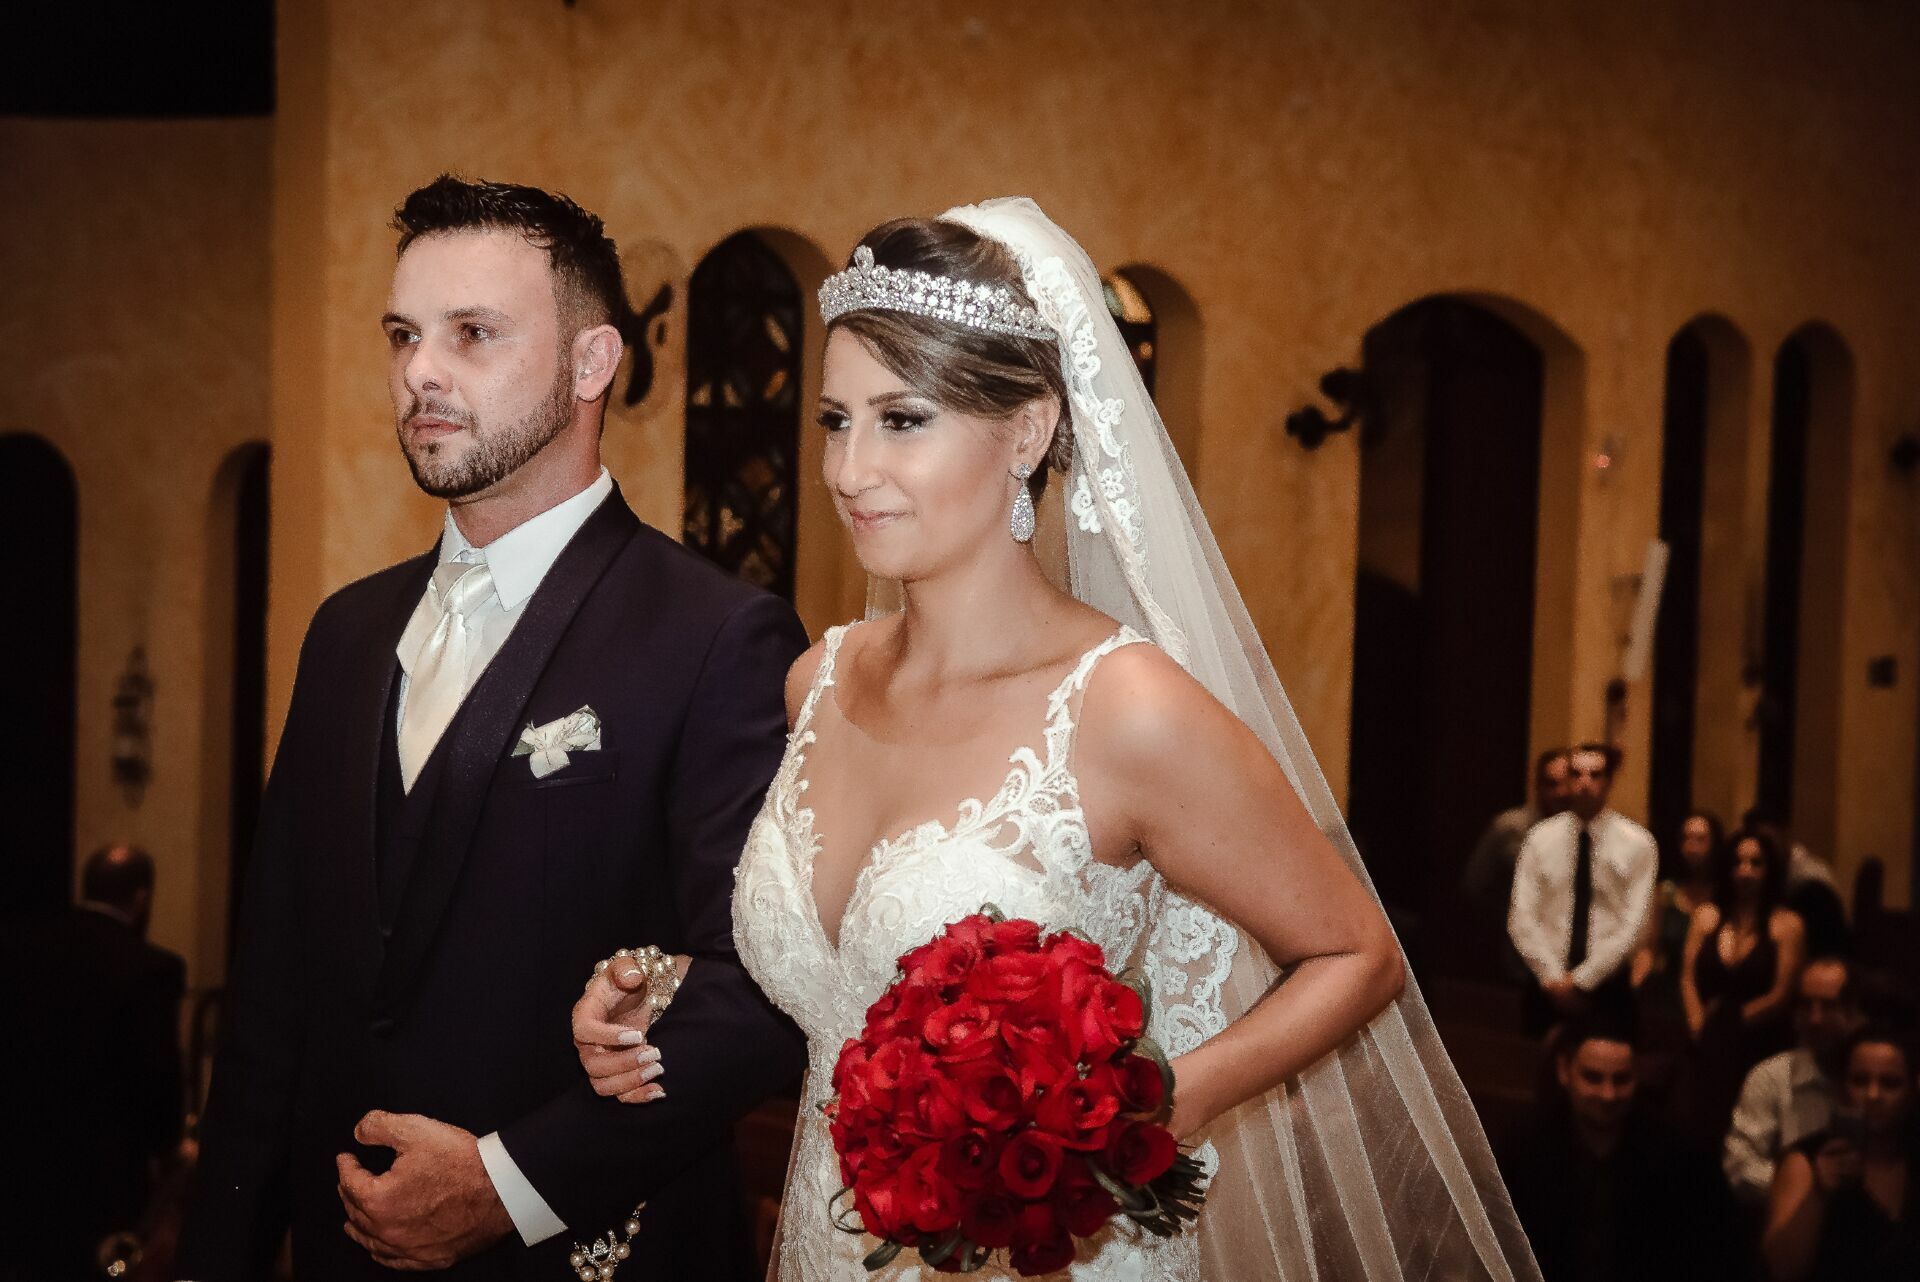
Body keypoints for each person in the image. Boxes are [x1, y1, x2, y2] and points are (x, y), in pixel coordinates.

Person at [574, 200, 1543, 1279]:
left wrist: (1146, 1111)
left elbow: (1355, 952)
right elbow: (841, 981)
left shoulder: (1125, 707)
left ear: (1027, 430)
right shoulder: (820, 678)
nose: (849, 470)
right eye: (834, 421)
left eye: (902, 419)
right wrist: (662, 990)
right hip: (825, 1244)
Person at [177, 177, 808, 1280]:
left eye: (474, 334)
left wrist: (511, 1182)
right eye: (405, 335)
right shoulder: (345, 630)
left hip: (588, 1247)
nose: (422, 370)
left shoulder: (719, 636)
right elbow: (276, 985)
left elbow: (754, 988)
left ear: (590, 364)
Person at [0, 844, 185, 1280]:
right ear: (142, 899)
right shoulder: (149, 969)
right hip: (102, 1169)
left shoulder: (17, 949)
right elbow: (157, 1074)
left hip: (19, 1153)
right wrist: (169, 1146)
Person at [1498, 1017, 1733, 1282]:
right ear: (1564, 1071)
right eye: (1593, 1078)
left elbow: (1715, 1253)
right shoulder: (1522, 1151)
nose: (1608, 1094)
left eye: (1621, 1080)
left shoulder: (1684, 1158)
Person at [1509, 743, 1657, 1034]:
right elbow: (1521, 915)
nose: (1585, 783)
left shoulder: (1638, 843)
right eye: (1576, 774)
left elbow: (1634, 924)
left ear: (1609, 780)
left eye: (1595, 775)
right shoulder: (1540, 838)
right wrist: (1552, 978)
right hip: (1546, 982)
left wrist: (1582, 981)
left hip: (1608, 985)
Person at [1761, 1025, 1920, 1281]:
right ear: (1841, 1087)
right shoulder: (1809, 1159)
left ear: (1913, 1090)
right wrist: (1818, 1195)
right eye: (1860, 1081)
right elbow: (1782, 1270)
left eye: (1890, 1084)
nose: (1873, 1095)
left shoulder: (1912, 1153)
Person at [1679, 823, 1806, 1142]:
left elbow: (1781, 994)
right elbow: (1688, 977)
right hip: (1705, 1040)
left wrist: (1728, 1026)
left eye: (1755, 863)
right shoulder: (1706, 916)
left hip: (1759, 1041)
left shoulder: (1787, 924)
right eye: (1737, 862)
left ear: (1770, 869)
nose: (1745, 872)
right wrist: (1698, 1023)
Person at [1723, 956, 1862, 1204]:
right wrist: (1803, 1181)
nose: (1815, 1019)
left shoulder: (1879, 1079)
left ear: (1855, 1012)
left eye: (1828, 1006)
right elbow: (1738, 1166)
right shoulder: (1771, 1077)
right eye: (1806, 1005)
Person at [1462, 747, 1571, 976]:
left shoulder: (1583, 833)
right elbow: (1475, 884)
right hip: (1518, 951)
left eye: (1566, 783)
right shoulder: (1511, 827)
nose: (1561, 792)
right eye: (1552, 784)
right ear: (1538, 785)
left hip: (1570, 951)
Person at [1632, 808, 1722, 1017]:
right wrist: (1638, 984)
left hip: (1710, 992)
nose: (1692, 847)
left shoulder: (1724, 895)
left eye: (1701, 839)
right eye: (1687, 839)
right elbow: (1650, 948)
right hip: (1667, 989)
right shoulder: (1666, 892)